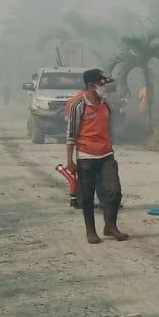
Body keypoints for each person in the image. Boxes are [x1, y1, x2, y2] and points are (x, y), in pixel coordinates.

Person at [64, 68, 128, 245]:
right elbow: (71, 134)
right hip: (86, 156)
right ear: (90, 85)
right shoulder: (78, 105)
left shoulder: (105, 103)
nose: (104, 86)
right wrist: (70, 160)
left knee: (114, 191)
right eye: (101, 83)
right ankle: (91, 231)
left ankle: (110, 226)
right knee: (87, 196)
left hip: (106, 154)